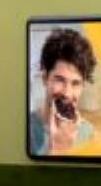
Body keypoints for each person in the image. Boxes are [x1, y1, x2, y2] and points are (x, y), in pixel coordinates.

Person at [29, 28, 97, 156]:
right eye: (59, 80)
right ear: (45, 78)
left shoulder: (89, 132)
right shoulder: (26, 127)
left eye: (76, 83)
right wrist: (59, 149)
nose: (67, 93)